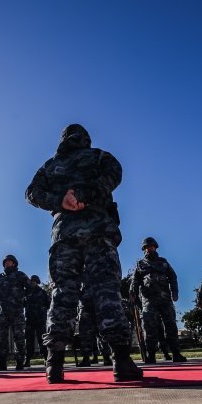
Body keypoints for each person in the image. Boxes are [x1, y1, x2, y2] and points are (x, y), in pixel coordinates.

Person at [25, 123, 142, 383]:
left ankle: (54, 363)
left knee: (63, 293)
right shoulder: (99, 156)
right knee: (106, 291)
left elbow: (31, 193)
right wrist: (87, 194)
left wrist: (61, 201)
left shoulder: (49, 166)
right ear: (86, 139)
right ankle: (121, 360)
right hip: (99, 231)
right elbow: (115, 173)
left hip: (64, 235)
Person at [130, 237, 187, 363]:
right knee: (149, 327)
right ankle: (151, 355)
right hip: (148, 300)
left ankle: (176, 353)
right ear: (143, 250)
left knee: (171, 325)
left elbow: (173, 276)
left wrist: (175, 292)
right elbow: (135, 280)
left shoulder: (163, 262)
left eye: (151, 246)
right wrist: (133, 293)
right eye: (146, 247)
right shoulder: (140, 264)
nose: (149, 249)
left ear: (155, 247)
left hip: (165, 299)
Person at [0, 255, 30, 370]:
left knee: (19, 337)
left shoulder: (20, 275)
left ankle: (20, 362)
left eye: (9, 261)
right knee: (1, 338)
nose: (7, 263)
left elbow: (30, 288)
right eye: (5, 262)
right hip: (3, 313)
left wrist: (23, 301)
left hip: (17, 311)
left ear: (14, 263)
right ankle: (2, 363)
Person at [24, 275, 50, 367]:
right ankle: (27, 360)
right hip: (29, 320)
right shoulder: (26, 293)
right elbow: (23, 304)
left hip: (40, 320)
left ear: (37, 282)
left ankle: (46, 358)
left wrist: (42, 312)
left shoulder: (42, 292)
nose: (33, 282)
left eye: (35, 281)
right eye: (32, 281)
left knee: (42, 339)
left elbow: (48, 304)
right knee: (28, 341)